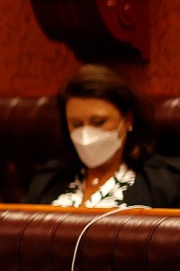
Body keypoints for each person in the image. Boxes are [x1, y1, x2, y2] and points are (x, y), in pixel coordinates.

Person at [27, 64, 180, 208]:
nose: (86, 134)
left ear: (128, 119)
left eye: (98, 122)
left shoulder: (165, 183)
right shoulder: (48, 179)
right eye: (76, 124)